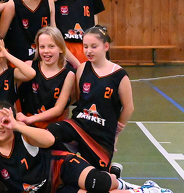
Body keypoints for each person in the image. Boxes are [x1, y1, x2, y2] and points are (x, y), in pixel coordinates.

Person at [0, 103, 176, 193]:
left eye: (5, 121)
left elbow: (48, 140)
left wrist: (18, 126)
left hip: (61, 168)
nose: (0, 126)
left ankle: (124, 183)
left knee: (99, 183)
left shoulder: (24, 136)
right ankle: (147, 192)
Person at [47, 26, 133, 176]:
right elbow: (79, 98)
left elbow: (128, 107)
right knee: (53, 131)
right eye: (85, 46)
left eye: (94, 46)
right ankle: (69, 162)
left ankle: (112, 172)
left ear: (106, 46)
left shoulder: (119, 75)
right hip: (80, 125)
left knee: (97, 179)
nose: (88, 51)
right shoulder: (82, 69)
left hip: (101, 134)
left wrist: (116, 132)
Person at [16, 27, 75, 129]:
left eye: (51, 46)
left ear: (61, 48)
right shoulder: (29, 66)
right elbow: (10, 90)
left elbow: (58, 109)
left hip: (53, 125)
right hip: (27, 123)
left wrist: (31, 119)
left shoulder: (68, 74)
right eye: (42, 47)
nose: (46, 51)